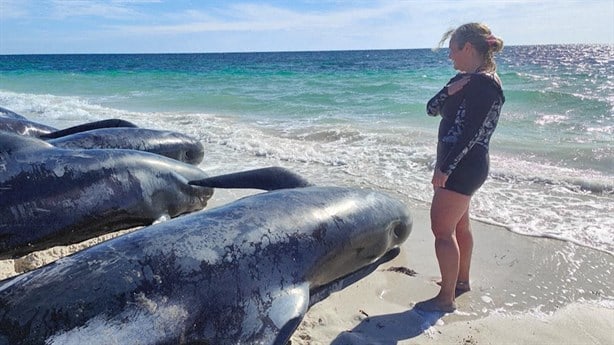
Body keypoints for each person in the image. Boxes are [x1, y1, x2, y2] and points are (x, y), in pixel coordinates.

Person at [415, 23, 505, 313]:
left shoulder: (484, 84)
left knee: (442, 230)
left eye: (453, 50)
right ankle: (461, 282)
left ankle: (445, 299)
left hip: (463, 167)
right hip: (467, 165)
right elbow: (430, 109)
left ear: (468, 48)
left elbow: (471, 133)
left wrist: (444, 169)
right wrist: (449, 89)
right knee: (460, 226)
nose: (450, 56)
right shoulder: (468, 80)